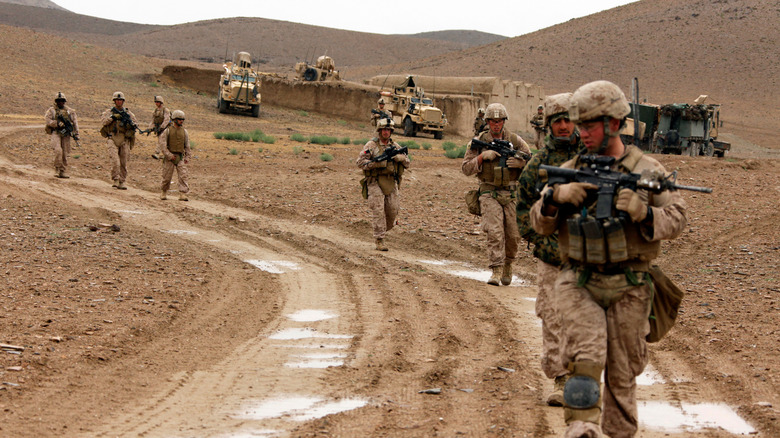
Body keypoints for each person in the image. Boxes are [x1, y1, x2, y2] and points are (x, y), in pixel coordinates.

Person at [530, 80, 687, 438]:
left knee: (622, 374)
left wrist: (645, 214)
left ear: (615, 124)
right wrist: (555, 198)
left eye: (590, 125)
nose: (582, 133)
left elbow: (678, 218)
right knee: (584, 360)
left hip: (630, 285)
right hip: (578, 281)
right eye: (579, 125)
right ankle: (581, 428)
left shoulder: (646, 169)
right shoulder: (569, 168)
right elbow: (539, 224)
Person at [516, 92, 582, 406]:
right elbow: (523, 204)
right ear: (549, 125)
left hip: (588, 254)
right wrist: (538, 238)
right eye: (558, 121)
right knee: (553, 317)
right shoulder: (538, 162)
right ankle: (561, 379)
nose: (564, 126)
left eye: (569, 119)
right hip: (552, 256)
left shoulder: (592, 156)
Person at [462, 102, 531, 285]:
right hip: (488, 191)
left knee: (514, 235)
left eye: (499, 121)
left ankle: (508, 264)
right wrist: (481, 157)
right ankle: (496, 269)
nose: (496, 124)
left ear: (504, 121)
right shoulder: (479, 142)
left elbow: (531, 161)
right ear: (487, 122)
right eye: (492, 121)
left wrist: (521, 165)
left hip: (510, 192)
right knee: (494, 232)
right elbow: (466, 168)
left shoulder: (516, 141)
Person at [356, 118, 410, 251]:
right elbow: (360, 163)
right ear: (379, 131)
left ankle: (383, 229)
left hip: (391, 181)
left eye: (388, 130)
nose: (386, 132)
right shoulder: (371, 145)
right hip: (375, 182)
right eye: (384, 130)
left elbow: (407, 162)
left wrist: (400, 158)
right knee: (378, 210)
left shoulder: (395, 146)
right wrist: (376, 164)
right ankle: (379, 239)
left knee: (392, 210)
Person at [100, 91, 139, 190]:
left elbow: (135, 124)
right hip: (112, 137)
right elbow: (103, 122)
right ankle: (116, 179)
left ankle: (122, 181)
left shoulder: (128, 113)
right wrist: (112, 118)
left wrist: (131, 124)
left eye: (120, 100)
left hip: (124, 139)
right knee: (115, 161)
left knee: (123, 162)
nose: (119, 102)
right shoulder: (109, 112)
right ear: (114, 101)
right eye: (117, 100)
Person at [44, 92, 79, 179]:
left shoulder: (70, 111)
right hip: (56, 132)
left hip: (66, 134)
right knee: (58, 150)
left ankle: (62, 170)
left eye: (62, 101)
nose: (60, 102)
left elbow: (75, 123)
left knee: (64, 153)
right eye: (58, 101)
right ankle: (57, 168)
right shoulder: (51, 110)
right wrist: (56, 123)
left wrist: (76, 133)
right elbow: (48, 121)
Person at [160, 110, 192, 201]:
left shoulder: (184, 132)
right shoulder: (167, 131)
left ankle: (182, 193)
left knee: (183, 175)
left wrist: (187, 157)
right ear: (174, 120)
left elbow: (187, 145)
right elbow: (163, 145)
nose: (181, 121)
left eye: (182, 119)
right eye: (179, 119)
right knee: (166, 176)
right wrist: (169, 155)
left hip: (180, 157)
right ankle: (163, 192)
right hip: (170, 157)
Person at [148, 95, 171, 160]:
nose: (156, 103)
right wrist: (150, 127)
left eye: (157, 102)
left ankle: (157, 153)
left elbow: (167, 119)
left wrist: (161, 127)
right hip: (159, 128)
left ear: (161, 102)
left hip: (166, 128)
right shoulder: (155, 110)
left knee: (161, 140)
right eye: (155, 102)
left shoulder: (165, 110)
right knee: (162, 141)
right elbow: (153, 120)